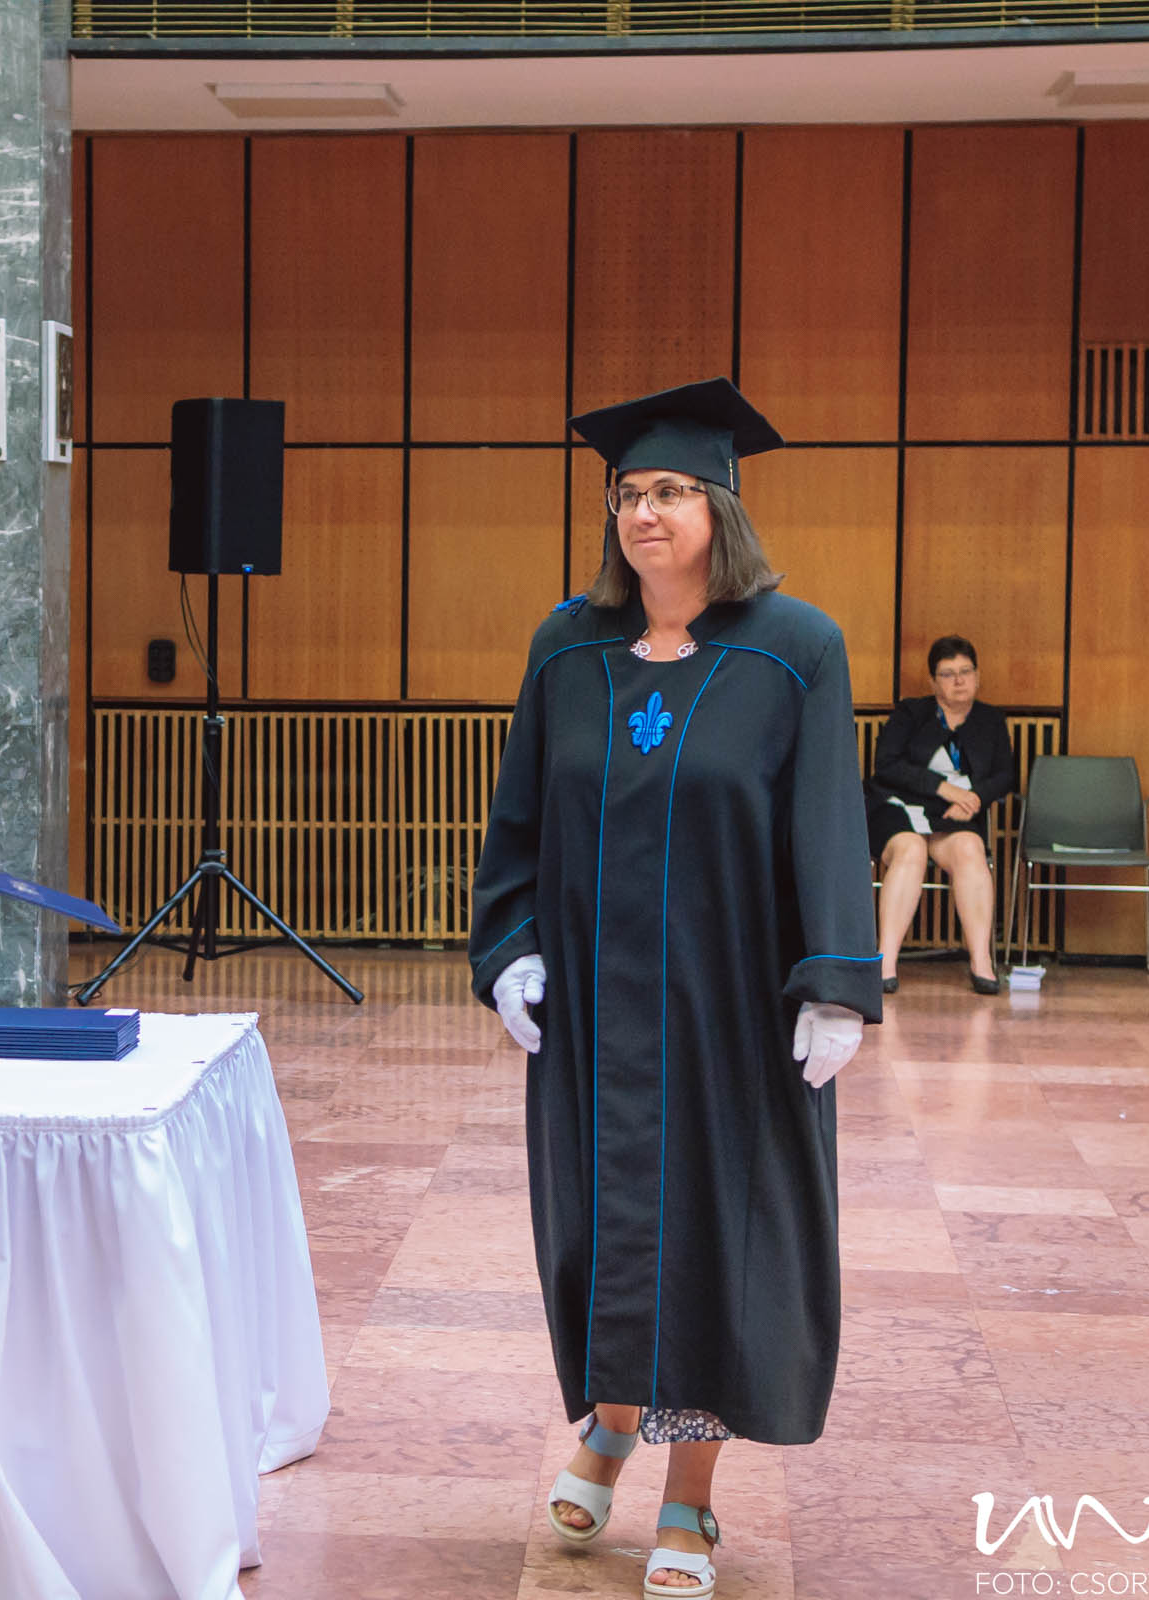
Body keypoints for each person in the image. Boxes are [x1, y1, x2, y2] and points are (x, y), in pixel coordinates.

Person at [469, 378, 879, 1598]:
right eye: (628, 494)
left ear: (721, 508)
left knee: (715, 1239)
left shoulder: (796, 649)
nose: (644, 513)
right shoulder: (567, 646)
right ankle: (607, 1426)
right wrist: (510, 947)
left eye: (671, 492)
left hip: (729, 1014)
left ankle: (689, 1493)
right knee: (600, 1228)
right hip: (595, 1013)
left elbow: (826, 822)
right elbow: (519, 818)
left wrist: (835, 982)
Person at [866, 635, 1015, 994]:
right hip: (897, 807)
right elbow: (886, 765)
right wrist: (944, 788)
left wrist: (975, 798)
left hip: (954, 816)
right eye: (948, 674)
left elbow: (1005, 775)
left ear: (978, 676)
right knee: (911, 851)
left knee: (970, 850)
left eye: (966, 671)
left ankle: (981, 963)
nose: (959, 680)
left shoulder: (990, 720)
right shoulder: (911, 713)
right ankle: (884, 963)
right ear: (933, 682)